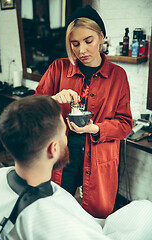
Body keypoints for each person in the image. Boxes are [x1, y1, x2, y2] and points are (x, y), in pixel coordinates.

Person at [0, 95, 152, 240]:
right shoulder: (56, 223)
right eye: (64, 133)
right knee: (145, 209)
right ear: (53, 149)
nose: (66, 139)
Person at [35, 5, 133, 218]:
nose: (81, 51)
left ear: (101, 37)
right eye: (75, 43)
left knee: (94, 218)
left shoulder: (118, 76)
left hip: (99, 161)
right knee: (56, 212)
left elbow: (125, 124)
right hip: (61, 158)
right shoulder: (57, 69)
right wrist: (53, 100)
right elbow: (34, 111)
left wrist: (95, 128)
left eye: (88, 41)